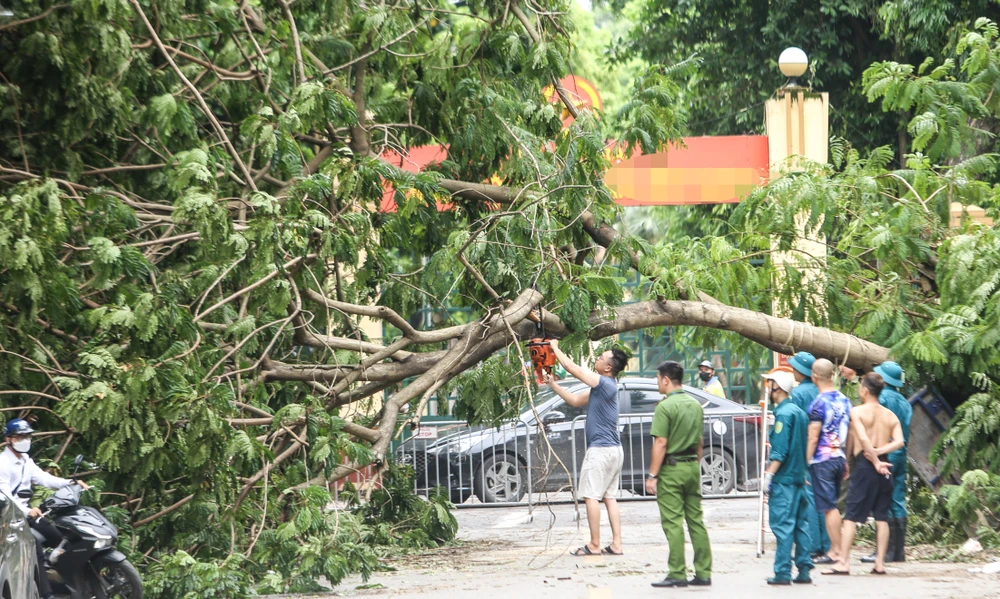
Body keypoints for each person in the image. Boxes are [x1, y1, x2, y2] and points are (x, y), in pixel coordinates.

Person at [544, 341, 629, 557]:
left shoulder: (605, 384)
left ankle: (594, 544)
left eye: (601, 358)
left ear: (608, 368)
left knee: (591, 496)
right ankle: (616, 544)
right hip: (613, 450)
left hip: (601, 450)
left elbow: (574, 369)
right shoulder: (602, 389)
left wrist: (555, 348)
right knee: (609, 497)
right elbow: (574, 400)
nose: (597, 360)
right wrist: (554, 385)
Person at [823, 373, 904, 576]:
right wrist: (881, 452)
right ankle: (879, 563)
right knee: (881, 516)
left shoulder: (857, 411)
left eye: (860, 387)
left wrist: (873, 457)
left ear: (865, 390)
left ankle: (844, 562)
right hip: (886, 465)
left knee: (851, 516)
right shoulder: (889, 415)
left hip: (867, 466)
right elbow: (900, 442)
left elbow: (861, 437)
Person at [0, 419, 89, 599]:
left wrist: (70, 483)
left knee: (59, 536)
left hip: (25, 513)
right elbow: (5, 494)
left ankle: (62, 579)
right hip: (9, 516)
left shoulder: (25, 460)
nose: (25, 439)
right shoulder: (3, 463)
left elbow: (44, 478)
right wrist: (27, 512)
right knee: (35, 548)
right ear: (9, 439)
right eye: (20, 437)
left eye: (28, 436)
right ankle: (47, 593)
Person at [645, 361, 712, 588]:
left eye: (657, 379)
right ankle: (703, 572)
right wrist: (695, 463)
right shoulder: (695, 405)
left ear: (665, 379)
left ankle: (677, 572)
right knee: (696, 520)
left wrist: (652, 475)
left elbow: (661, 442)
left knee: (673, 522)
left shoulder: (664, 407)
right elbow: (700, 442)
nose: (657, 383)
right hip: (692, 465)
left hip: (672, 469)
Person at [761, 370, 814, 585]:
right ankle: (804, 569)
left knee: (783, 526)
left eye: (770, 383)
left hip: (785, 481)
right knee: (801, 525)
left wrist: (768, 476)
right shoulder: (799, 412)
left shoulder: (783, 414)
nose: (767, 387)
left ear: (778, 388)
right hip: (799, 478)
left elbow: (780, 451)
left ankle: (782, 572)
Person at [861, 361, 912, 564]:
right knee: (898, 498)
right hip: (900, 452)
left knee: (883, 500)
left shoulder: (882, 398)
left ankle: (885, 551)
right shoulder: (904, 401)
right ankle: (898, 551)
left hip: (885, 453)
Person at [807, 358, 852, 566]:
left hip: (823, 459)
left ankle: (836, 550)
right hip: (839, 455)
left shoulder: (818, 404)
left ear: (814, 376)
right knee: (833, 503)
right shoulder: (844, 400)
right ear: (832, 375)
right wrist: (847, 458)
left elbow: (813, 436)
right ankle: (836, 548)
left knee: (829, 506)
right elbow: (850, 432)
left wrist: (807, 460)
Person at [786, 351, 830, 563]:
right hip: (827, 451)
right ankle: (827, 544)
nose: (792, 370)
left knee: (810, 498)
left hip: (808, 449)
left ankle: (813, 545)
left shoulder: (798, 394)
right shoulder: (820, 390)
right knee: (825, 499)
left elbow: (797, 424)